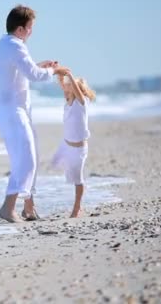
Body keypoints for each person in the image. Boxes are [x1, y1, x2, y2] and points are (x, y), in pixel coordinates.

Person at [0, 4, 70, 223]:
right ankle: (8, 208)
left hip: (11, 112)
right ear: (20, 29)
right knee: (26, 160)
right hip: (13, 113)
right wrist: (54, 70)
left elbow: (21, 72)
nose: (31, 32)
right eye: (30, 27)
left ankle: (29, 208)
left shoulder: (4, 45)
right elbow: (35, 76)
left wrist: (41, 65)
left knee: (30, 155)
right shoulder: (16, 46)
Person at [51, 73, 96, 218]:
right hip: (65, 145)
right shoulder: (68, 100)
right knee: (54, 164)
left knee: (77, 179)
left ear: (77, 88)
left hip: (78, 149)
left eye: (70, 85)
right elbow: (64, 86)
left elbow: (73, 86)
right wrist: (58, 73)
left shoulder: (82, 103)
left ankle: (77, 208)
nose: (67, 86)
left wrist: (68, 73)